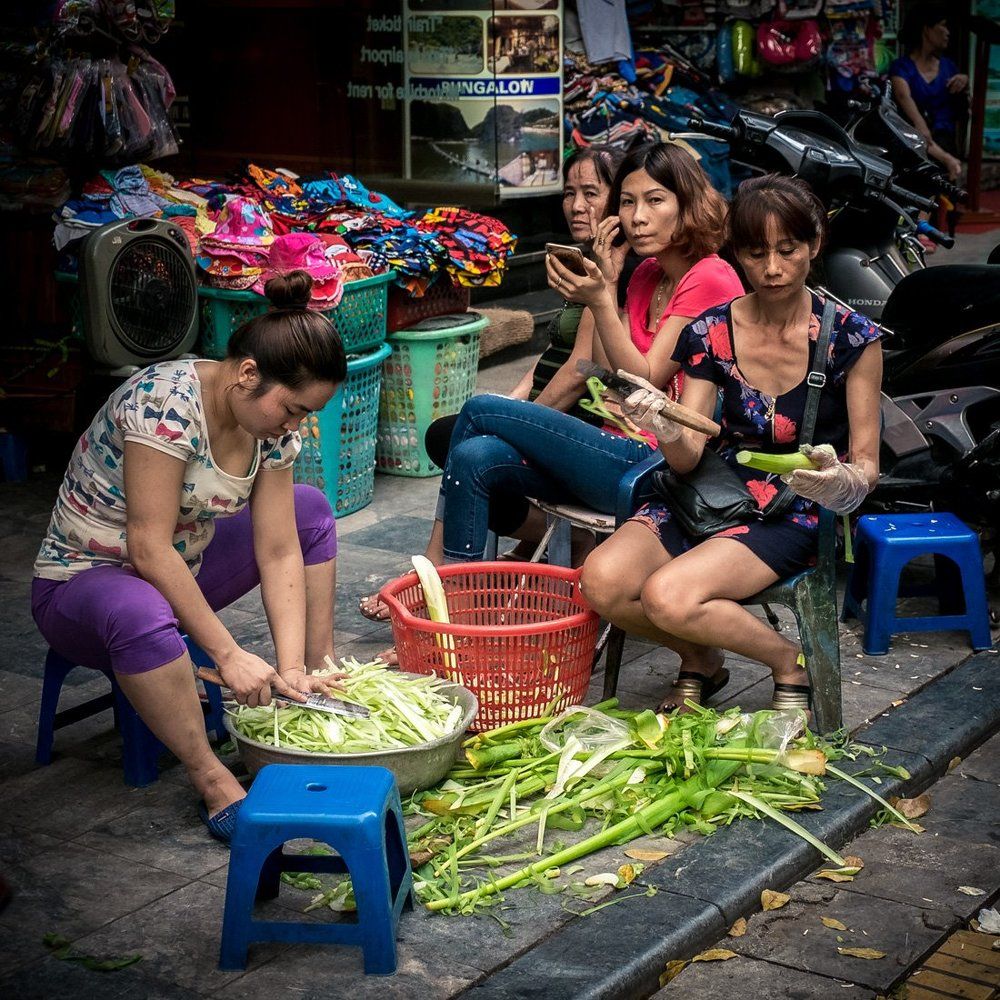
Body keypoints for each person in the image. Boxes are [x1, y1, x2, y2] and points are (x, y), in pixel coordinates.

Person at [31, 271, 346, 843]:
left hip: (184, 564)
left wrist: (290, 665)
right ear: (248, 374)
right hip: (83, 580)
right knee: (141, 615)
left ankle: (318, 675)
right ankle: (212, 778)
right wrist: (229, 656)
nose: (295, 425)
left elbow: (278, 549)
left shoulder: (268, 426)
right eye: (293, 409)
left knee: (309, 513)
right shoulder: (164, 405)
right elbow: (148, 545)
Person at [581, 174, 883, 716]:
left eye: (788, 251)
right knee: (602, 582)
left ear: (813, 247)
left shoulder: (850, 338)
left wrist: (839, 480)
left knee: (667, 596)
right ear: (737, 255)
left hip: (792, 508)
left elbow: (867, 466)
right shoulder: (712, 330)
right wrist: (668, 427)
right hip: (709, 489)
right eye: (755, 252)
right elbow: (688, 453)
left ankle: (789, 661)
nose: (771, 268)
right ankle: (701, 657)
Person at [429, 142, 742, 565]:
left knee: (481, 409)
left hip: (654, 463)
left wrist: (598, 300)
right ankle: (453, 596)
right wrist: (608, 283)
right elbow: (605, 369)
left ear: (687, 205)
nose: (637, 217)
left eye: (654, 201)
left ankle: (433, 569)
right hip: (610, 443)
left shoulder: (710, 276)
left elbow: (643, 378)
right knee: (472, 455)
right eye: (628, 202)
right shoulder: (649, 273)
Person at [359, 145, 628, 623]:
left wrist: (515, 420)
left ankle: (433, 570)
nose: (578, 205)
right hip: (550, 413)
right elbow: (552, 357)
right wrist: (514, 401)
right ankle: (468, 592)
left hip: (583, 428)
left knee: (468, 430)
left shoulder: (611, 275)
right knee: (462, 444)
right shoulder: (583, 262)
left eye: (592, 193)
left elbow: (579, 372)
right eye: (570, 193)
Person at [890, 3, 968, 183]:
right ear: (927, 29)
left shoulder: (949, 67)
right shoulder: (901, 68)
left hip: (946, 144)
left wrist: (965, 82)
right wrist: (946, 159)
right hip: (916, 148)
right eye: (943, 25)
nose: (948, 32)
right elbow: (919, 129)